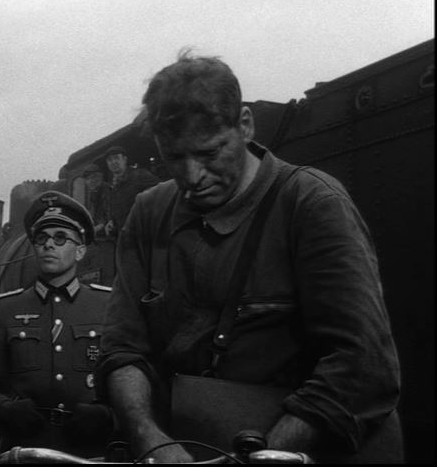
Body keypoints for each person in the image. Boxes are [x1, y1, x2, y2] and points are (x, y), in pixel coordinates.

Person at [96, 52, 402, 463]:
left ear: (244, 125)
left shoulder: (312, 204)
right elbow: (122, 348)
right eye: (174, 158)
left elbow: (363, 363)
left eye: (209, 153)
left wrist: (265, 455)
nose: (192, 177)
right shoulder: (149, 212)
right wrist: (149, 439)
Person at [0, 191, 116, 459]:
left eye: (60, 238)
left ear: (80, 250)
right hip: (25, 450)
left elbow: (129, 380)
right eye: (41, 238)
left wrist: (107, 414)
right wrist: (5, 409)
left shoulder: (107, 305)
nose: (49, 244)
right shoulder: (6, 308)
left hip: (88, 451)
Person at [102, 145, 159, 237]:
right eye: (109, 160)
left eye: (116, 158)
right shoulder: (111, 186)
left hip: (142, 233)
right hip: (123, 234)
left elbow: (160, 195)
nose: (113, 162)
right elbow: (113, 206)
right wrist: (111, 220)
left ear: (125, 159)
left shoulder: (140, 175)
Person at [82, 162, 111, 238]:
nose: (91, 181)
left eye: (93, 177)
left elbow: (109, 216)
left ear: (100, 177)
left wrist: (96, 228)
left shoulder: (108, 191)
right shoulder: (93, 193)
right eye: (87, 179)